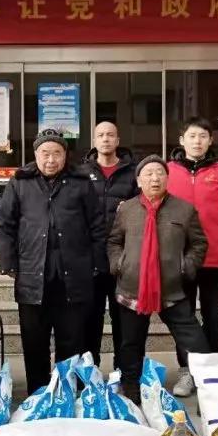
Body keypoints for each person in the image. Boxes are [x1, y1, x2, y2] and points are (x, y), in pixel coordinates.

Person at [0, 128, 107, 394]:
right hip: (32, 272)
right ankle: (38, 392)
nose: (51, 159)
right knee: (34, 338)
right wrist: (9, 263)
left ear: (65, 155)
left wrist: (96, 264)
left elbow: (97, 226)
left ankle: (65, 390)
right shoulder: (20, 182)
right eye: (45, 153)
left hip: (73, 273)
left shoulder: (81, 182)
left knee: (72, 337)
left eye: (57, 153)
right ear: (36, 155)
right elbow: (5, 225)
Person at [108, 156, 209, 402]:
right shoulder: (127, 209)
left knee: (195, 341)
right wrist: (119, 264)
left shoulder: (184, 209)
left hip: (172, 287)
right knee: (131, 342)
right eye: (149, 174)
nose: (155, 178)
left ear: (167, 178)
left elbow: (198, 243)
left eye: (160, 173)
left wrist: (186, 267)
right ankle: (131, 388)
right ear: (139, 181)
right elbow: (114, 241)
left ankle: (207, 387)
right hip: (133, 287)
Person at [166, 116, 218, 397]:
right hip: (178, 257)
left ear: (210, 141)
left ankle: (211, 370)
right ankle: (187, 370)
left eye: (203, 136)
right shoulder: (166, 171)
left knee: (212, 316)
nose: (197, 141)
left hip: (214, 257)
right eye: (192, 136)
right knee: (184, 317)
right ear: (182, 140)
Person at [81, 120, 138, 369]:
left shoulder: (133, 172)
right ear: (94, 141)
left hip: (123, 257)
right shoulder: (81, 173)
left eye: (110, 135)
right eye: (101, 135)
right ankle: (89, 372)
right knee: (90, 319)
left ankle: (122, 372)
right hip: (90, 258)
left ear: (118, 140)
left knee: (122, 319)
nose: (105, 139)